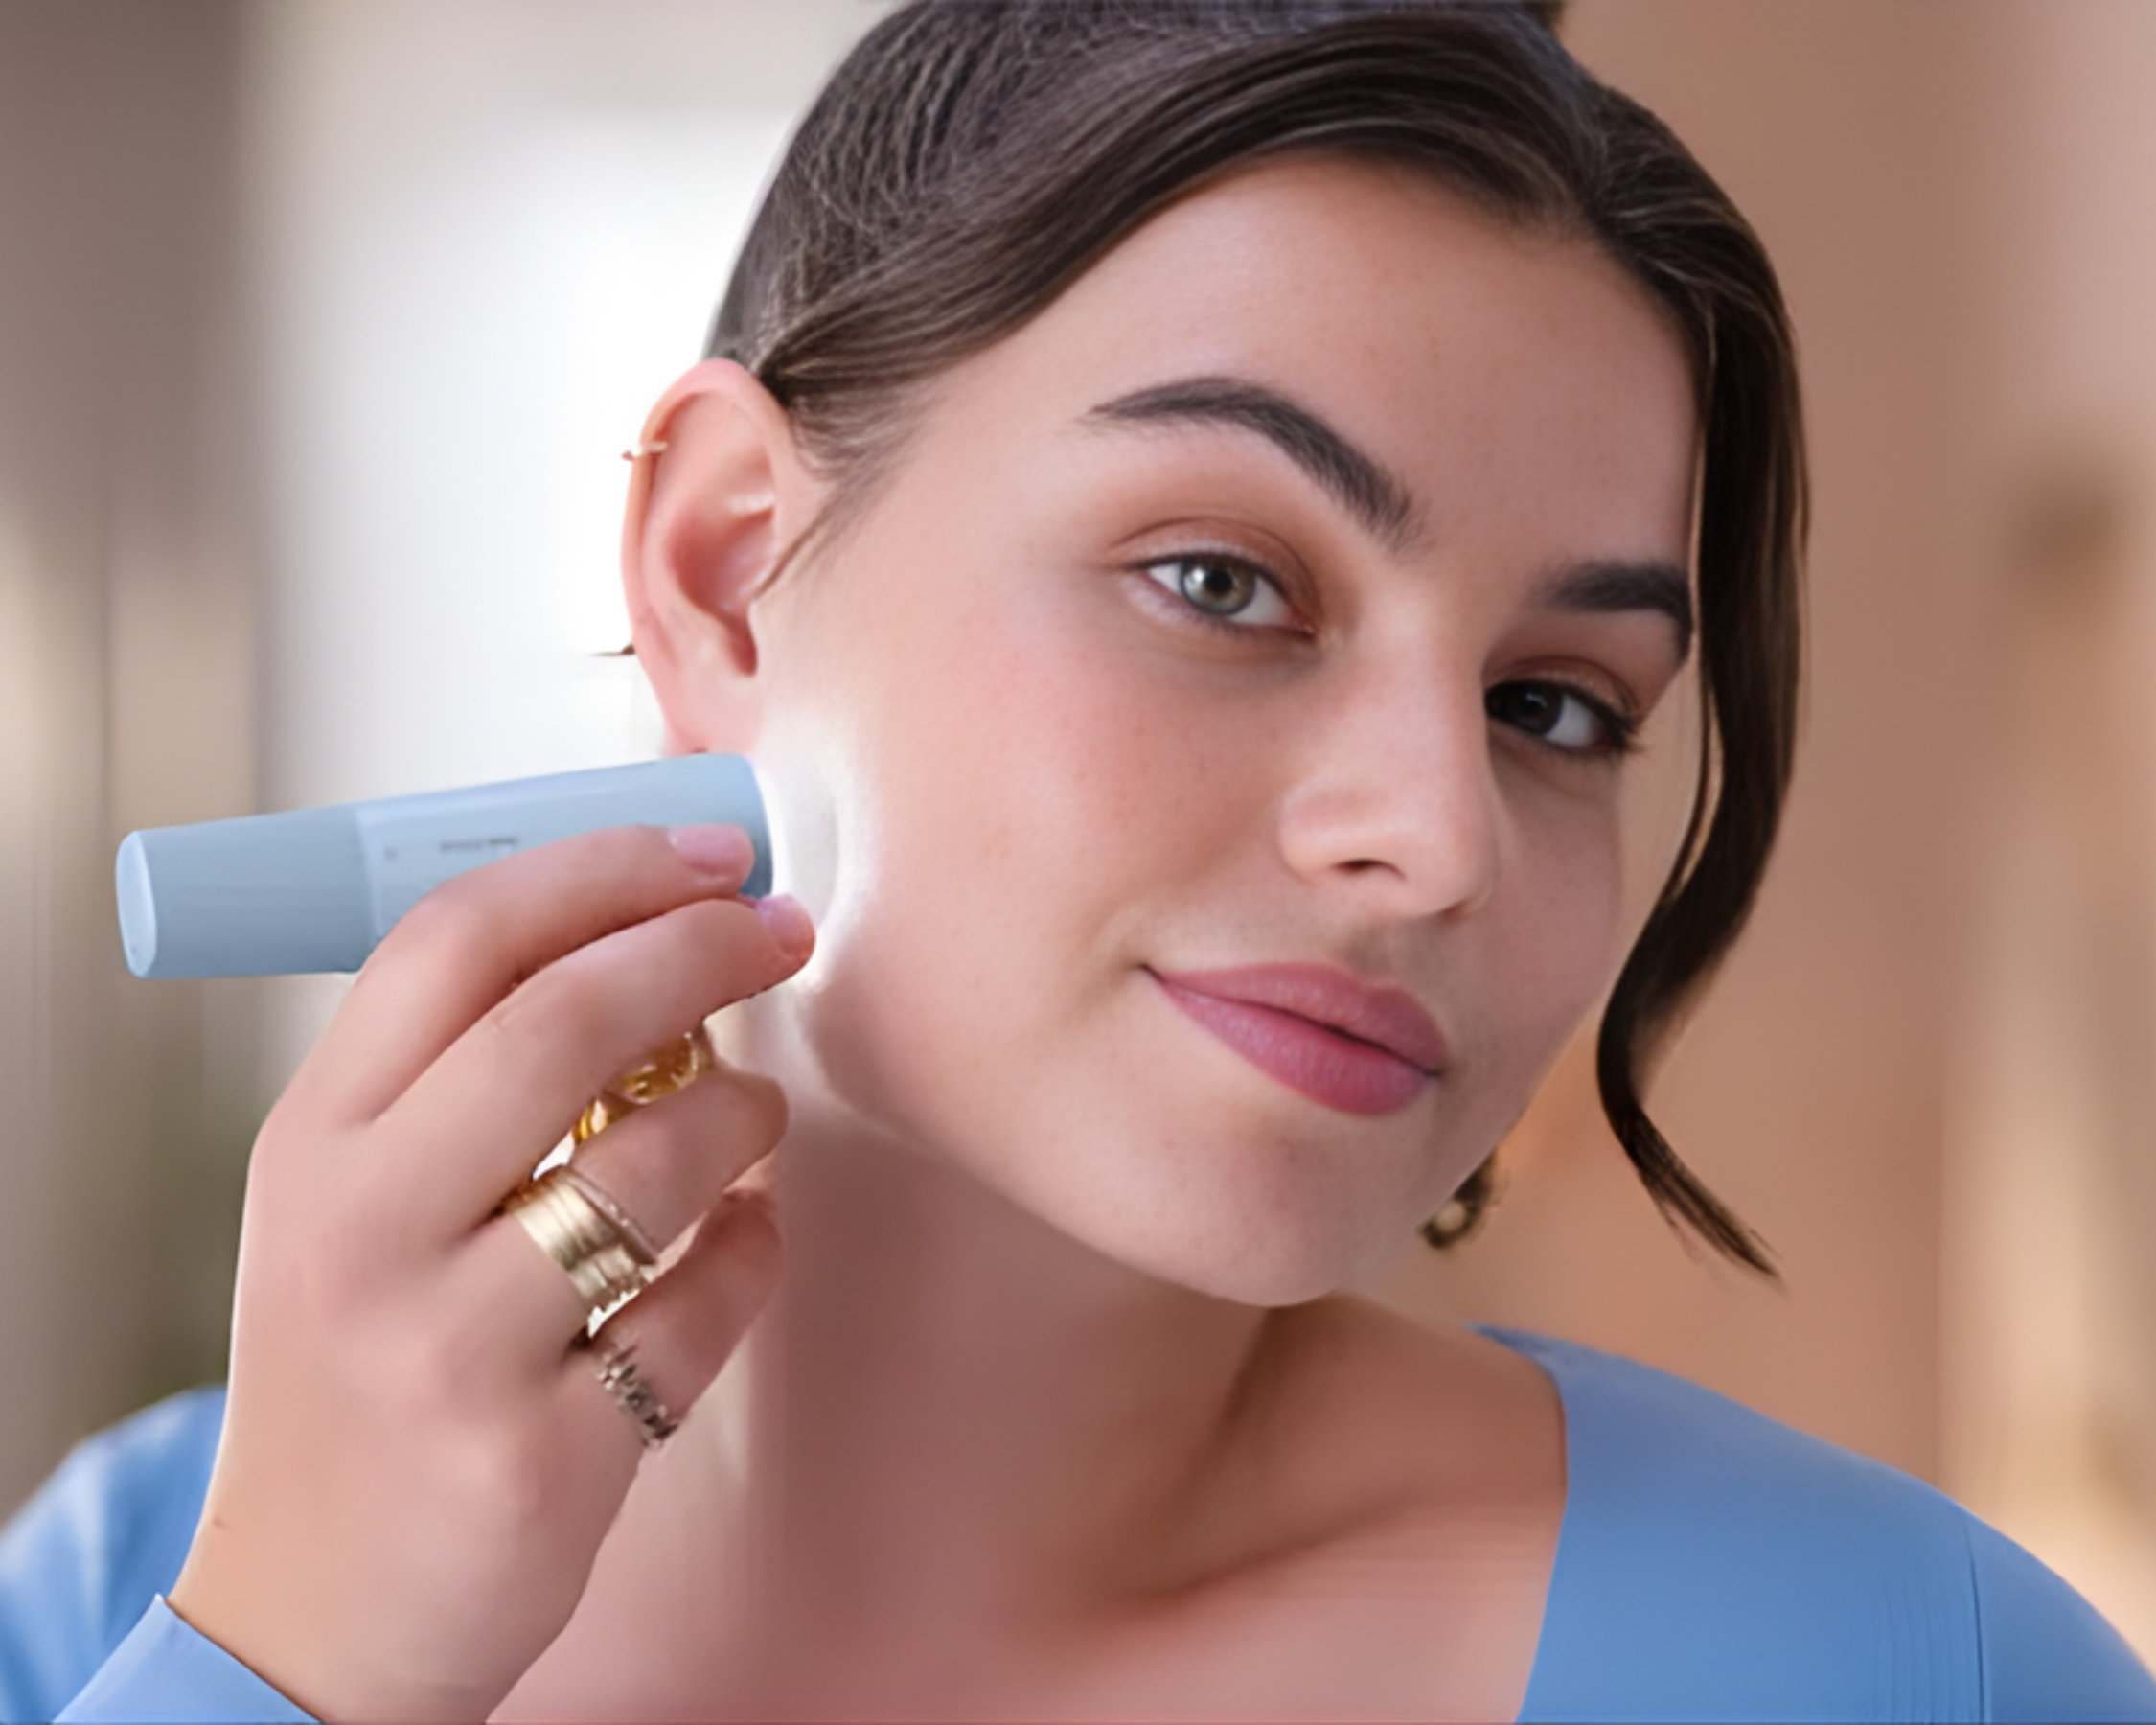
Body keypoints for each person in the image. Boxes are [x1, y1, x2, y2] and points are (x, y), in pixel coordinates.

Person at [4, 2, 2153, 1718]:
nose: (1436, 841)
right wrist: (274, 1680)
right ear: (729, 574)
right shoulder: (140, 1590)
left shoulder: (1912, 1672)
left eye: (1555, 706)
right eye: (1223, 581)